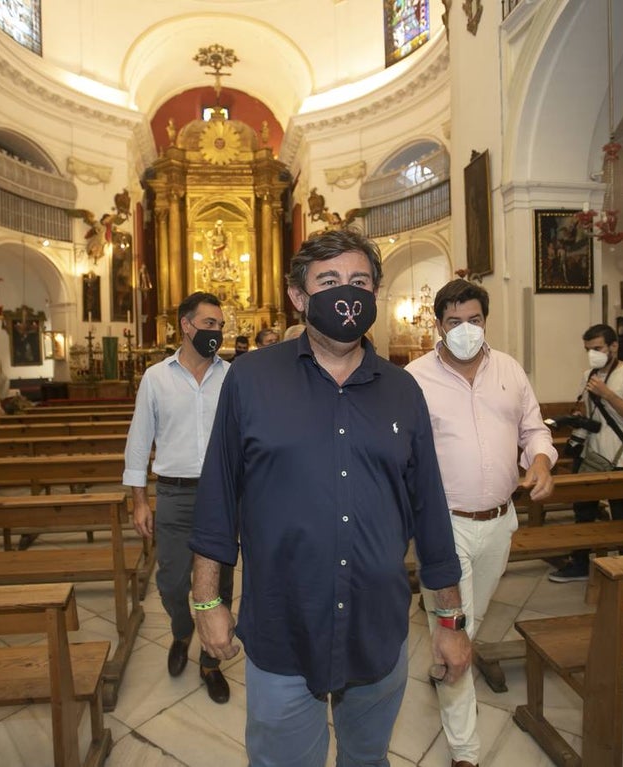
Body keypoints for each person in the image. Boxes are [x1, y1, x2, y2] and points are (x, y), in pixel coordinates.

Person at [189, 229, 470, 766]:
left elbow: (431, 515)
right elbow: (219, 499)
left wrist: (450, 622)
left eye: (360, 281)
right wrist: (207, 600)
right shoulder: (250, 379)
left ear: (376, 294)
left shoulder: (403, 390)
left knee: (367, 760)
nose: (347, 294)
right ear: (299, 297)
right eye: (329, 281)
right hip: (282, 628)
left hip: (376, 630)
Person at [406, 279, 556, 767]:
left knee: (465, 624)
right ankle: (465, 752)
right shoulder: (415, 379)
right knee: (456, 629)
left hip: (499, 522)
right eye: (454, 322)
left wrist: (540, 461)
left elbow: (534, 426)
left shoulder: (509, 369)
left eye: (474, 320)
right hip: (443, 527)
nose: (466, 330)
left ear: (484, 321)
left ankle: (448, 651)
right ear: (438, 325)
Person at [122, 291, 235, 704]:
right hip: (173, 492)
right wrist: (138, 500)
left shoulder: (232, 376)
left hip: (222, 496)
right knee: (170, 583)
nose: (216, 333)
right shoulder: (157, 377)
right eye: (209, 325)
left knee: (219, 584)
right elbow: (139, 442)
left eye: (220, 326)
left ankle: (210, 661)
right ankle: (182, 630)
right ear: (186, 326)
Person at [549, 323, 623, 582]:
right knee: (583, 510)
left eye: (597, 348)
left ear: (613, 346)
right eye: (588, 349)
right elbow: (589, 412)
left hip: (619, 456)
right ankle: (581, 563)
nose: (593, 353)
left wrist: (608, 394)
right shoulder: (589, 375)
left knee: (621, 512)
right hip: (591, 454)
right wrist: (578, 417)